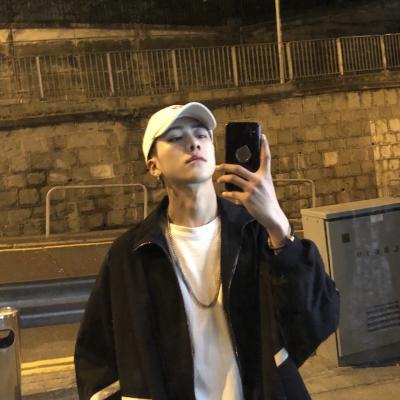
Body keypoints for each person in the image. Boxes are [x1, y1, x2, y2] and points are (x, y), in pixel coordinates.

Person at [74, 102, 340, 400]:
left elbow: (318, 321)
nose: (193, 143)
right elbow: (95, 360)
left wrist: (278, 224)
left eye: (202, 135)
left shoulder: (256, 233)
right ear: (153, 166)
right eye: (176, 137)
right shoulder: (131, 253)